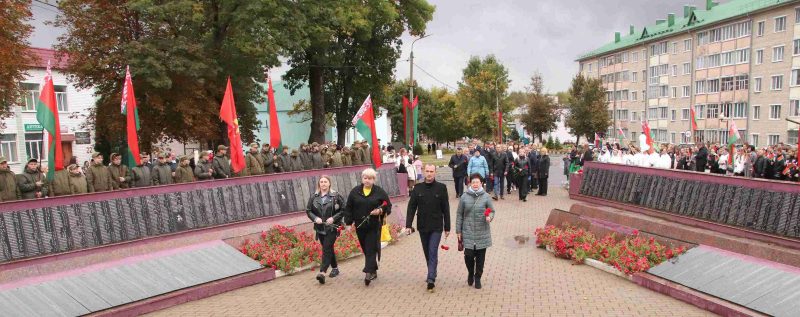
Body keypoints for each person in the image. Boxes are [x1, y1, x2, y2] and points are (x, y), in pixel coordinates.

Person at [405, 164, 450, 292]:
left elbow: (446, 208)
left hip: (436, 226)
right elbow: (411, 207)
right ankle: (432, 271)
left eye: (432, 171)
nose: (429, 173)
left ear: (435, 172)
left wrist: (447, 227)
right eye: (427, 171)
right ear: (424, 172)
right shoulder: (417, 188)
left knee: (432, 250)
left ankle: (430, 279)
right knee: (427, 252)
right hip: (423, 225)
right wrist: (408, 225)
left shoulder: (441, 188)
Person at [343, 168, 392, 286]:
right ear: (362, 178)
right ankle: (373, 269)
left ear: (374, 179)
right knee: (365, 248)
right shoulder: (355, 192)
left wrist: (380, 210)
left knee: (370, 248)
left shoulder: (379, 192)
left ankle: (368, 273)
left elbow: (388, 206)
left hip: (373, 226)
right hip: (360, 225)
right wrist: (348, 223)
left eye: (370, 178)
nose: (367, 181)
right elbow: (349, 208)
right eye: (365, 178)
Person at [456, 173, 495, 290]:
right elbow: (459, 214)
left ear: (481, 183)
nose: (475, 184)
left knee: (480, 258)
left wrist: (489, 217)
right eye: (473, 182)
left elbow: (491, 210)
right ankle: (470, 272)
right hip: (467, 231)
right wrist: (458, 230)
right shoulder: (464, 197)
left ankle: (477, 277)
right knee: (468, 256)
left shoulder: (486, 196)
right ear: (470, 184)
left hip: (482, 231)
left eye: (477, 182)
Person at [306, 175, 345, 285]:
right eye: (321, 182)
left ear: (329, 183)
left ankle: (322, 272)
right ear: (319, 184)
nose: (323, 184)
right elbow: (308, 210)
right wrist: (315, 218)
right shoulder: (314, 197)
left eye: (325, 181)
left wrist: (333, 218)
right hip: (320, 229)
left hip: (332, 228)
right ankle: (335, 268)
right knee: (328, 248)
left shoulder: (336, 196)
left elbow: (343, 209)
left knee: (326, 248)